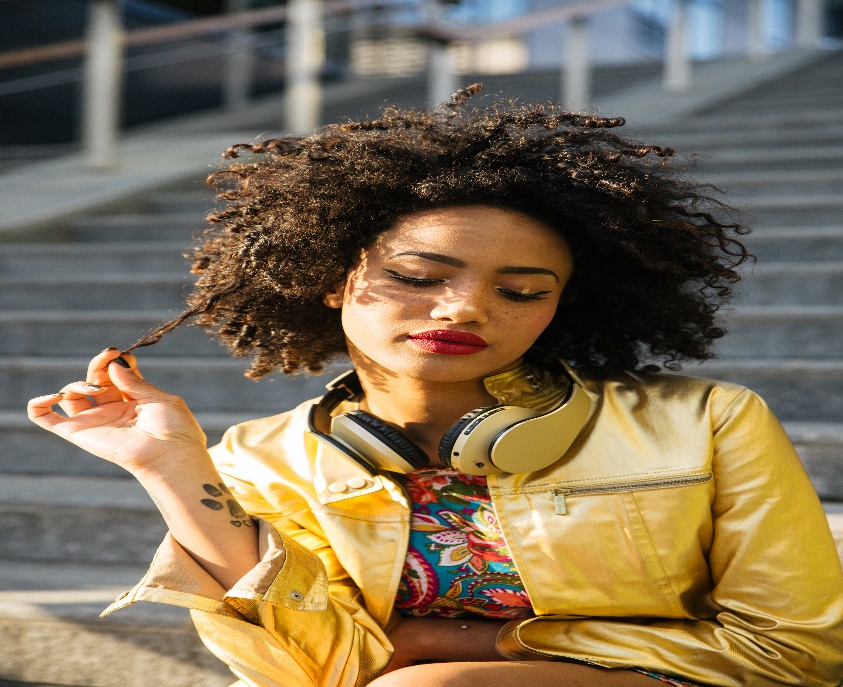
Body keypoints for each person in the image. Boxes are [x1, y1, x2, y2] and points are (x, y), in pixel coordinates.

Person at [27, 85, 843, 687]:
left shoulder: (706, 421)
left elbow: (797, 650)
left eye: (521, 291)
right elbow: (304, 667)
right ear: (333, 280)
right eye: (418, 275)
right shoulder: (261, 455)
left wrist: (464, 654)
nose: (463, 307)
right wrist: (171, 468)